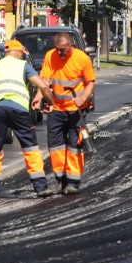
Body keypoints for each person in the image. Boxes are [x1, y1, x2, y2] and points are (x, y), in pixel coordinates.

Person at [0, 40, 56, 200]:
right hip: (18, 110)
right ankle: (40, 188)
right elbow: (44, 86)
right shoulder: (23, 66)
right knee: (30, 147)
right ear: (19, 53)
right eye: (23, 55)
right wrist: (51, 103)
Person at [33, 31, 96, 195]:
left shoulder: (82, 58)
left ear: (71, 46)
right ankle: (61, 179)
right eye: (58, 49)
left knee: (75, 145)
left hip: (76, 110)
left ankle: (73, 182)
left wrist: (83, 98)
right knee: (56, 146)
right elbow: (45, 81)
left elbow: (90, 82)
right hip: (56, 108)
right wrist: (39, 98)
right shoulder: (50, 56)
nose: (60, 53)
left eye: (63, 50)